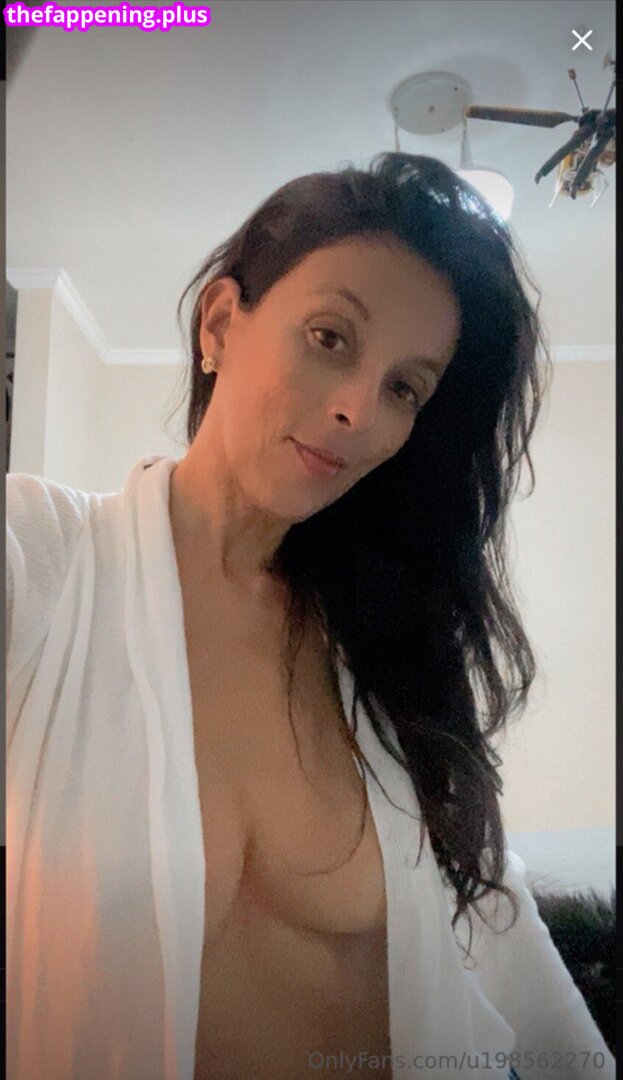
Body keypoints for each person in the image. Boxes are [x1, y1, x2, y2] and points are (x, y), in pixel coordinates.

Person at [6, 153, 614, 1080]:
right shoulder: (43, 557)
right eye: (331, 337)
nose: (356, 411)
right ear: (220, 324)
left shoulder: (382, 643)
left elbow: (495, 913)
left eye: (404, 388)